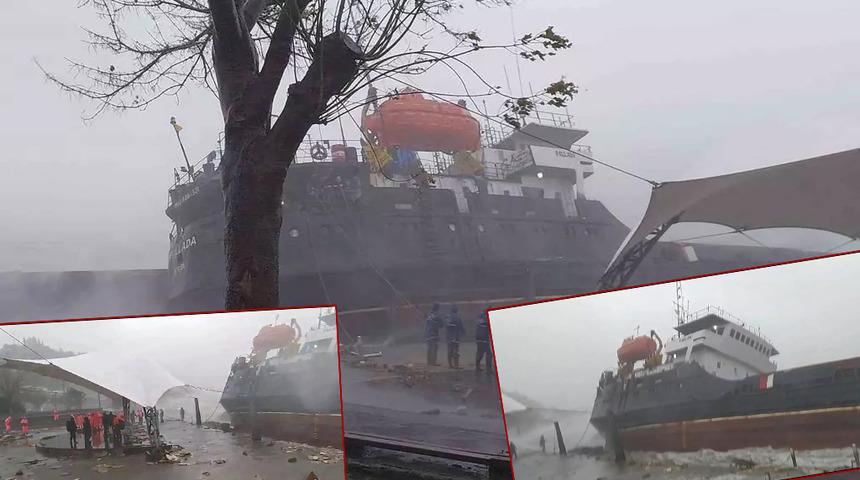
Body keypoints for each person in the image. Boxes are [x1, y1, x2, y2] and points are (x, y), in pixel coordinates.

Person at [475, 310, 493, 377]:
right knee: (489, 354)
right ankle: (489, 369)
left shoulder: (479, 319)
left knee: (480, 352)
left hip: (478, 338)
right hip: (484, 338)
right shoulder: (487, 319)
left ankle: (477, 366)